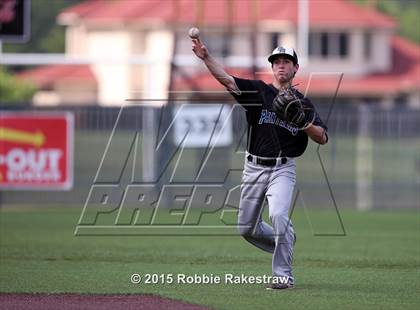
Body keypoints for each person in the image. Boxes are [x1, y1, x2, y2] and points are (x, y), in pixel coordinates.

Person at [192, 39, 328, 289]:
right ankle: (285, 238)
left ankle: (283, 276)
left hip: (282, 169)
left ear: (296, 68)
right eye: (276, 62)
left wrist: (303, 123)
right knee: (246, 228)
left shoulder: (303, 104)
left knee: (278, 215)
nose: (281, 66)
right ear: (272, 67)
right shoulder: (259, 92)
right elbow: (227, 80)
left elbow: (323, 137)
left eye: (286, 62)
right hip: (253, 167)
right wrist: (206, 58)